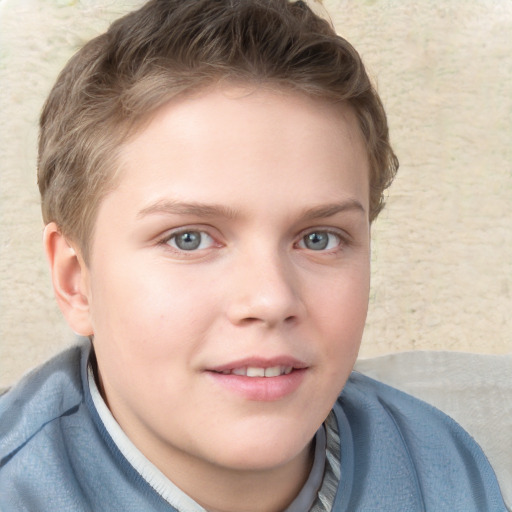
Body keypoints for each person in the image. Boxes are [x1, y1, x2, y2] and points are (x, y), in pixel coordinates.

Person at [0, 1, 506, 510]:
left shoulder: (439, 469)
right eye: (189, 239)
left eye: (318, 238)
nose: (270, 298)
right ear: (75, 280)